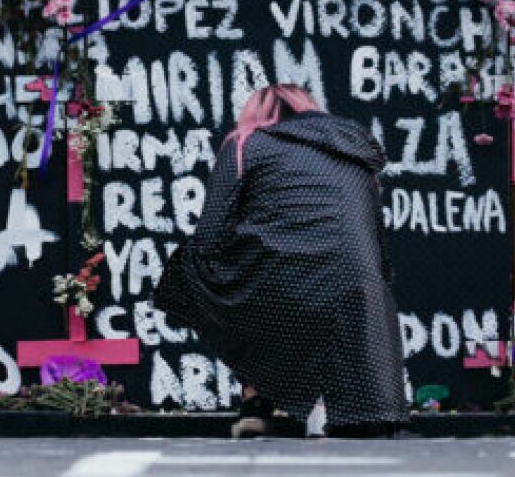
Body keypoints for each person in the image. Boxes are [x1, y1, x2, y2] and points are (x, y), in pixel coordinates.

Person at [154, 84, 409, 439]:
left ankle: (260, 398)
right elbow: (374, 238)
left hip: (280, 285)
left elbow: (210, 234)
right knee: (330, 288)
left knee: (191, 267)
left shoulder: (246, 143)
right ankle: (353, 412)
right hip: (358, 287)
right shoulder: (354, 152)